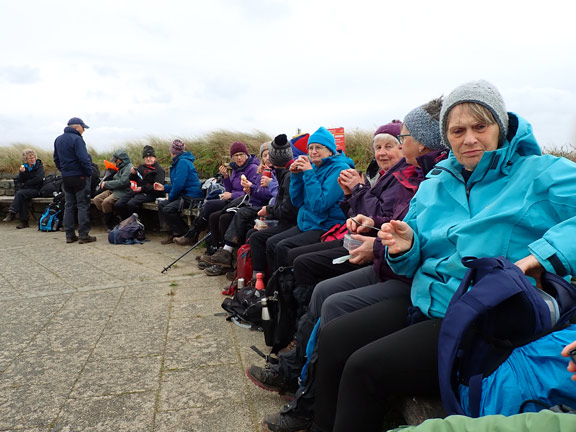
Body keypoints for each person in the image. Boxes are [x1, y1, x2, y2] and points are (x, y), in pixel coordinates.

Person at [301, 80, 576, 432]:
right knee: (335, 335)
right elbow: (409, 255)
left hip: (481, 320)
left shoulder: (539, 172)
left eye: (481, 126)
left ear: (501, 127)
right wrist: (405, 246)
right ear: (445, 137)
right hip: (426, 301)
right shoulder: (436, 181)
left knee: (362, 369)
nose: (469, 139)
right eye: (457, 130)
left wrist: (542, 256)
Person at [256, 100, 450, 431]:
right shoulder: (410, 176)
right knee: (289, 258)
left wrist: (358, 195)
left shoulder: (414, 177)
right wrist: (360, 209)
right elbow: (310, 205)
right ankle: (293, 357)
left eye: (395, 142)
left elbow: (324, 207)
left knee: (308, 273)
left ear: (417, 141)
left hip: (404, 275)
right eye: (379, 146)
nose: (387, 150)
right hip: (384, 259)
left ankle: (299, 371)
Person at [263, 127, 354, 276]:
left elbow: (320, 205)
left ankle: (287, 289)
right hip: (308, 223)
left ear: (330, 150)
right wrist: (297, 176)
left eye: (318, 147)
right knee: (271, 242)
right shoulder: (315, 167)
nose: (313, 151)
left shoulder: (340, 169)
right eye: (310, 148)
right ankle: (275, 285)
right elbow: (297, 201)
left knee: (282, 247)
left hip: (327, 226)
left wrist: (308, 173)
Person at [203, 142, 278, 275]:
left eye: (241, 155)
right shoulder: (258, 170)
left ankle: (228, 257)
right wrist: (227, 177)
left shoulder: (263, 170)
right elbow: (238, 189)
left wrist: (251, 188)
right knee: (218, 215)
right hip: (250, 203)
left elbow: (268, 194)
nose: (267, 158)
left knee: (228, 217)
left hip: (260, 207)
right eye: (264, 155)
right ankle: (220, 254)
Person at [173, 140, 259, 248]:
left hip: (243, 203)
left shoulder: (253, 168)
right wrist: (225, 177)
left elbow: (251, 191)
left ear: (246, 155)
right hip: (233, 201)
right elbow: (229, 189)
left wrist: (232, 196)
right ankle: (210, 246)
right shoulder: (236, 169)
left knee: (212, 208)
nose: (239, 158)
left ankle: (193, 236)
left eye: (241, 154)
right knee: (211, 210)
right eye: (236, 155)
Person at [249, 134, 302, 282]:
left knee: (257, 238)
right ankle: (258, 276)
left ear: (273, 158)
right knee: (252, 231)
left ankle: (262, 280)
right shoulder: (283, 173)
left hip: (292, 223)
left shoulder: (289, 176)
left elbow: (288, 210)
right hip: (287, 219)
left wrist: (269, 211)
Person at [53, 117, 96, 244]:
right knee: (83, 205)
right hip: (80, 177)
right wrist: (89, 173)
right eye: (83, 128)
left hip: (66, 177)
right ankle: (83, 235)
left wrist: (64, 170)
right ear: (77, 127)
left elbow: (56, 159)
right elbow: (84, 159)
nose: (84, 131)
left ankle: (69, 235)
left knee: (69, 205)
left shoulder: (58, 139)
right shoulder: (77, 139)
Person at [154, 139, 203, 244]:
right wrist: (164, 188)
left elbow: (179, 185)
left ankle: (186, 233)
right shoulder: (180, 161)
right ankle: (172, 234)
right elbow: (177, 184)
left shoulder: (182, 162)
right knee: (162, 204)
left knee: (168, 209)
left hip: (191, 197)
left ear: (172, 152)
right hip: (184, 195)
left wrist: (170, 197)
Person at [115, 145, 166, 220]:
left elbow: (156, 187)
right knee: (119, 204)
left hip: (151, 193)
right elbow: (132, 180)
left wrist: (142, 189)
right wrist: (133, 174)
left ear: (154, 158)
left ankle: (136, 224)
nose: (148, 159)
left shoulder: (159, 170)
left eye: (151, 157)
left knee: (131, 204)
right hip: (137, 191)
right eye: (146, 157)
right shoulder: (141, 167)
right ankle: (126, 222)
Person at [3, 149, 45, 229]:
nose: (32, 160)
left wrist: (25, 183)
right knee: (22, 197)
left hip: (37, 189)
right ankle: (24, 222)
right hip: (26, 190)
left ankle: (12, 213)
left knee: (20, 193)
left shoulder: (39, 166)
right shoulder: (24, 167)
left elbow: (38, 179)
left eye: (33, 158)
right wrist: (22, 173)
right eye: (30, 158)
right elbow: (20, 179)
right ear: (26, 160)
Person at [93, 149, 133, 230]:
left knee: (106, 202)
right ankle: (113, 216)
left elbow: (123, 182)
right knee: (97, 199)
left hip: (123, 191)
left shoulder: (128, 168)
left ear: (121, 160)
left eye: (116, 160)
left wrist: (107, 184)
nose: (115, 162)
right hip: (115, 189)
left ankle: (110, 222)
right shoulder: (121, 167)